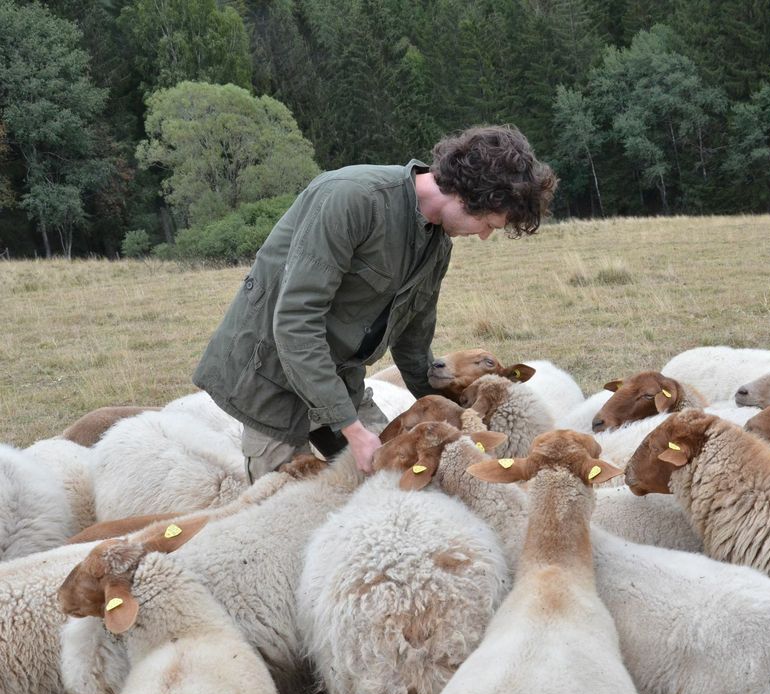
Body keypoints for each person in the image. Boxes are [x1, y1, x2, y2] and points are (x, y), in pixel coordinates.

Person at [193, 125, 557, 482]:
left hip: (338, 377)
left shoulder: (437, 247)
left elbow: (414, 348)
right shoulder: (353, 198)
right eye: (487, 223)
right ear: (470, 194)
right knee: (288, 503)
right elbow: (294, 323)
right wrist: (352, 429)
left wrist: (453, 413)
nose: (483, 235)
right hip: (269, 377)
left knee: (400, 477)